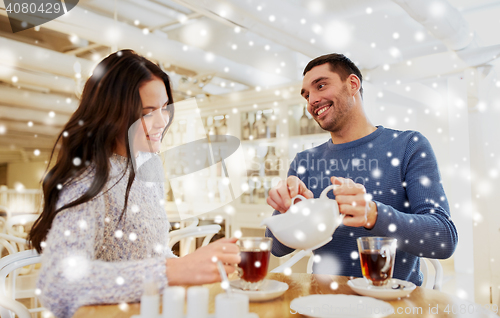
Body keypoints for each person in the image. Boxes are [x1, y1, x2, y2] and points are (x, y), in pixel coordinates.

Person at [28, 50, 240, 318]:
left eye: (165, 108)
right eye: (147, 112)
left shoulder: (148, 164)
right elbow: (57, 283)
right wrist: (174, 271)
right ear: (112, 113)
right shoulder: (87, 179)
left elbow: (153, 252)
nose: (162, 121)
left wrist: (191, 267)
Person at [265, 53, 458, 285]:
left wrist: (374, 215)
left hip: (392, 303)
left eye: (321, 86)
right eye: (306, 95)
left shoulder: (409, 146)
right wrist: (290, 212)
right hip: (322, 304)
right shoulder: (305, 161)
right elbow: (275, 247)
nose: (311, 101)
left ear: (353, 84)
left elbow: (444, 239)